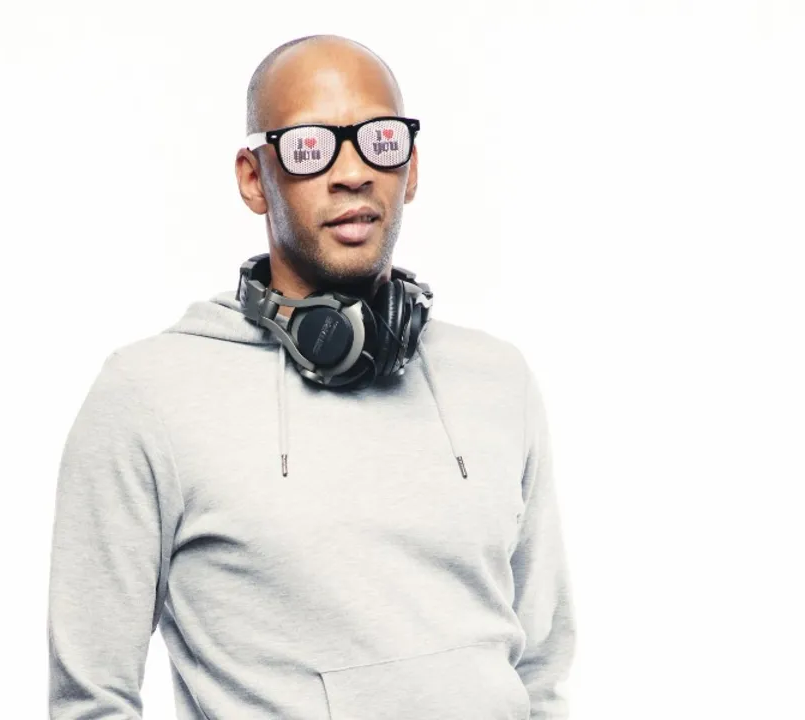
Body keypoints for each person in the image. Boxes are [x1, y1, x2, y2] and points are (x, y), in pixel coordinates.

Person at [47, 33, 577, 720]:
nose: (352, 172)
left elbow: (542, 672)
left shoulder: (498, 381)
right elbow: (92, 701)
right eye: (309, 146)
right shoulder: (148, 397)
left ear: (411, 168)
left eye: (380, 141)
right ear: (253, 178)